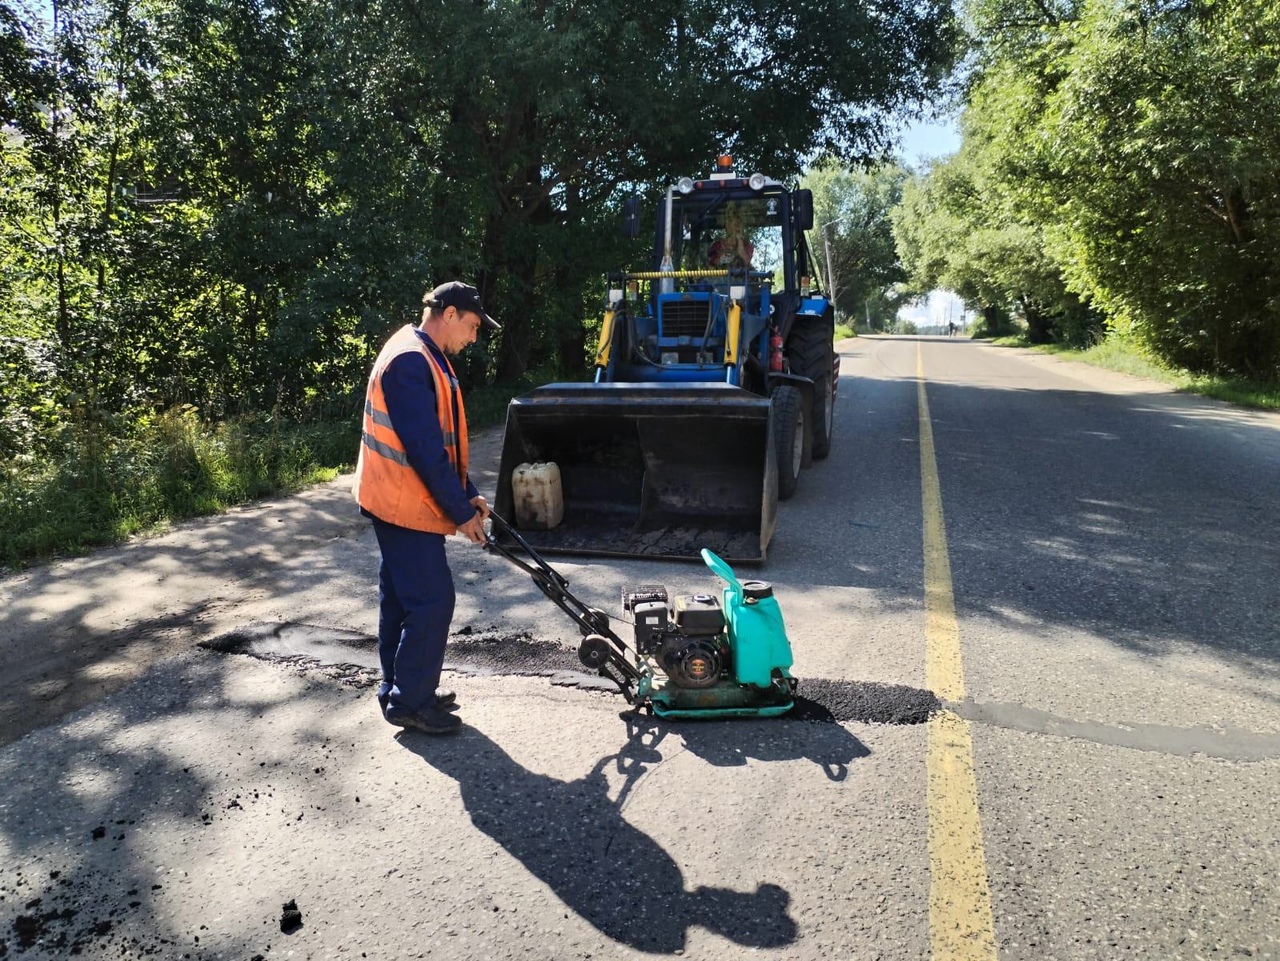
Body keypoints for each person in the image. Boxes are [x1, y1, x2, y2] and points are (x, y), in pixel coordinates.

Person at [353, 281, 501, 735]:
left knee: (400, 600)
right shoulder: (411, 362)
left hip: (396, 498)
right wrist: (460, 513)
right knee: (434, 601)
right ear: (450, 314)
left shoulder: (422, 354)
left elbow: (441, 443)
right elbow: (422, 450)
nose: (474, 338)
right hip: (400, 501)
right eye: (473, 327)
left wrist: (468, 492)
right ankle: (411, 702)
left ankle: (401, 691)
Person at [708, 204, 754, 269]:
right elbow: (711, 269)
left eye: (739, 224)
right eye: (735, 225)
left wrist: (741, 249)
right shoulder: (717, 246)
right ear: (727, 226)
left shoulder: (747, 246)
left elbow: (748, 266)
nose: (737, 228)